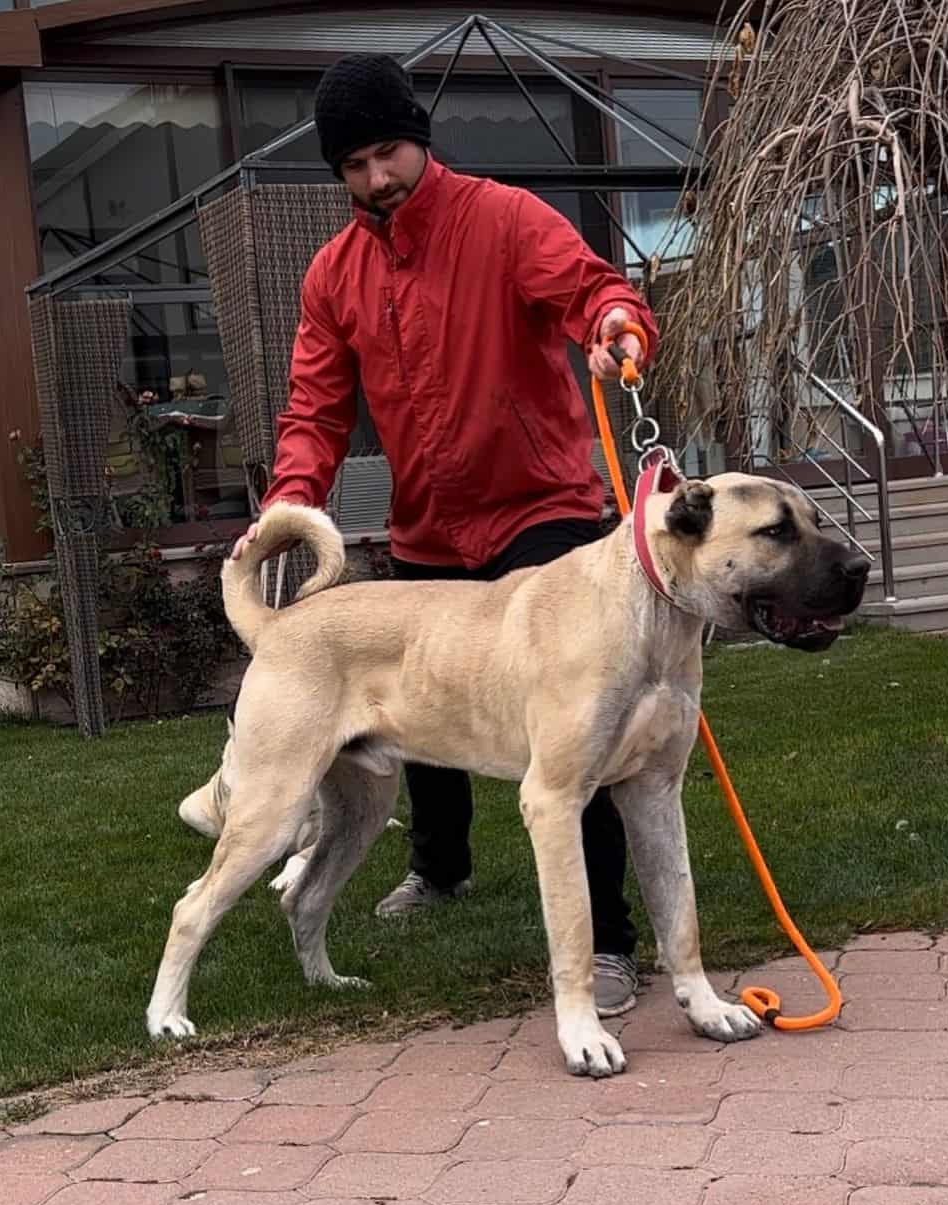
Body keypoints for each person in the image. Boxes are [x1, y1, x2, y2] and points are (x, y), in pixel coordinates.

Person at [230, 52, 660, 1016]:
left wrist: (620, 324)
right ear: (337, 174)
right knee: (417, 717)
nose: (377, 178)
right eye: (355, 166)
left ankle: (609, 946)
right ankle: (440, 870)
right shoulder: (334, 273)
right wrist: (292, 502)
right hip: (428, 523)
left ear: (419, 138)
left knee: (575, 737)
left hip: (541, 508)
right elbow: (315, 408)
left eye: (389, 152)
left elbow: (590, 289)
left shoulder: (504, 219)